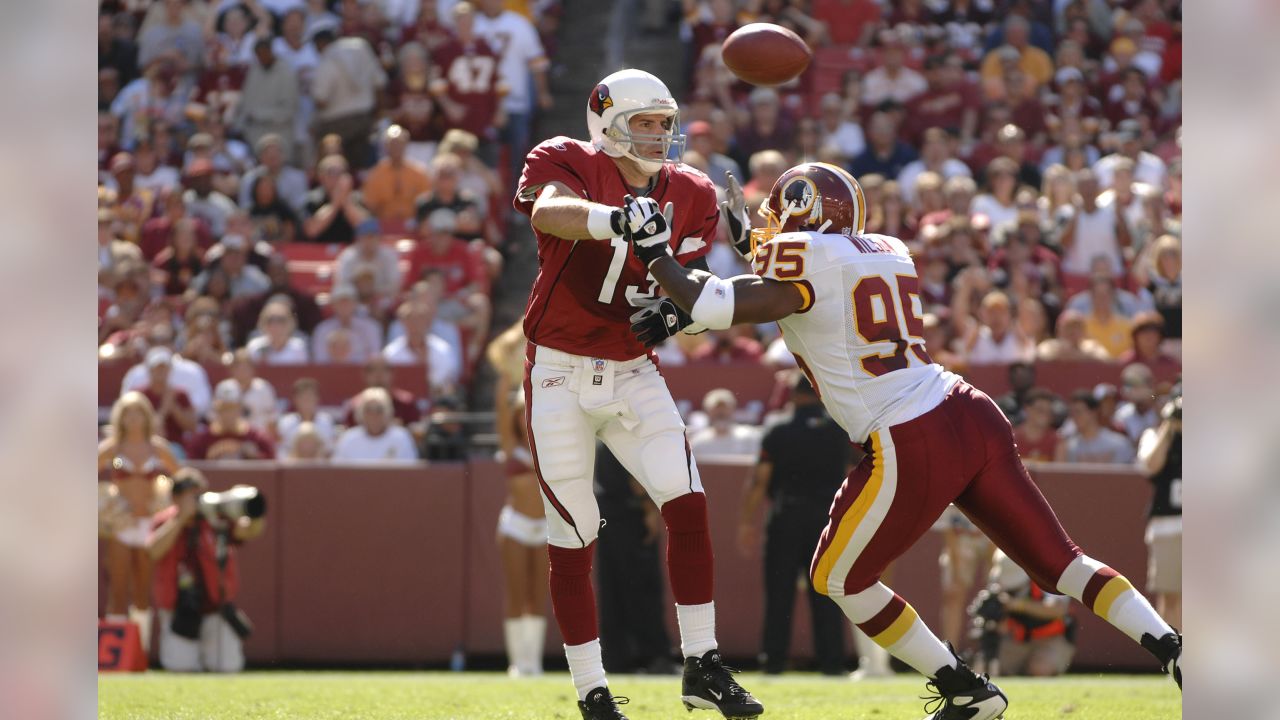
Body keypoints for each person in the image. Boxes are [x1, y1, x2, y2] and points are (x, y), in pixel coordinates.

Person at [632, 161, 1181, 720]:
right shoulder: (888, 248)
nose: (771, 227)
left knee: (837, 577)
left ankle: (963, 687)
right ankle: (1175, 651)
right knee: (1062, 564)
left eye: (780, 214)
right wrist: (743, 252)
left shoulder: (804, 264)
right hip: (968, 409)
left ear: (805, 212)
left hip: (907, 433)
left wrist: (656, 255)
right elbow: (794, 283)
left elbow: (720, 303)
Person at [512, 68, 761, 719]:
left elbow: (690, 285)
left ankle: (702, 663)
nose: (656, 135)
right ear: (606, 121)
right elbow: (549, 212)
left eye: (663, 123)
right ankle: (592, 688)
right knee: (574, 531)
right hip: (560, 370)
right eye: (643, 122)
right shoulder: (564, 160)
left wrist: (677, 314)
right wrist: (617, 218)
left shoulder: (696, 192)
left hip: (632, 366)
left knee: (687, 500)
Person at [737, 374, 851, 675]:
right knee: (825, 591)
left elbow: (760, 480)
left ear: (794, 396)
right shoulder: (839, 429)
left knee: (779, 591)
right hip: (827, 516)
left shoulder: (778, 429)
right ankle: (832, 662)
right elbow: (855, 472)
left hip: (786, 515)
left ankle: (773, 661)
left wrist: (747, 522)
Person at [148, 467, 266, 672]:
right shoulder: (164, 521)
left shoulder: (215, 520)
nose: (197, 500)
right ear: (176, 498)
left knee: (227, 666)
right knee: (181, 666)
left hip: (215, 607)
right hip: (179, 610)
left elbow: (247, 531)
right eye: (190, 496)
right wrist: (181, 518)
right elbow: (153, 551)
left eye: (199, 494)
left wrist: (253, 512)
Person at [98, 392, 181, 655]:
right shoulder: (112, 447)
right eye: (128, 414)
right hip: (122, 525)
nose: (133, 419)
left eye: (138, 413)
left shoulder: (158, 448)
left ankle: (140, 652)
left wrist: (166, 501)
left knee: (144, 588)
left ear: (147, 417)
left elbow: (182, 478)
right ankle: (115, 653)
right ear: (120, 418)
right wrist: (107, 502)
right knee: (118, 587)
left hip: (150, 525)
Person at [594, 442, 674, 676]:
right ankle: (654, 656)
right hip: (630, 515)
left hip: (607, 514)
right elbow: (637, 479)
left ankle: (617, 658)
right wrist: (648, 507)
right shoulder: (626, 434)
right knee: (643, 587)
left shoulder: (602, 438)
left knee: (612, 588)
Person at [497, 392, 548, 677]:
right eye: (520, 412)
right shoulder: (510, 445)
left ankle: (534, 662)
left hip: (545, 528)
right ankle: (517, 663)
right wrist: (505, 376)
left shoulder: (550, 446)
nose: (523, 416)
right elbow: (500, 415)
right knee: (516, 594)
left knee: (538, 596)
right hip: (515, 525)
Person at [977, 550, 1076, 677]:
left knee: (1040, 668)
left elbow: (1058, 610)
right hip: (1016, 639)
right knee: (985, 669)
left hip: (1051, 639)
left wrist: (1017, 605)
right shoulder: (997, 579)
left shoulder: (1046, 574)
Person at [1136, 385, 1181, 629]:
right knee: (1170, 595)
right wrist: (1169, 426)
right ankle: (1176, 657)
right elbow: (1150, 465)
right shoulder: (1154, 434)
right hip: (1168, 525)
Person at [310, 29, 386, 170]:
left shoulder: (328, 56)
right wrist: (377, 115)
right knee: (363, 169)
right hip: (364, 119)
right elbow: (380, 84)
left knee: (338, 168)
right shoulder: (362, 48)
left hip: (336, 125)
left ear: (321, 44)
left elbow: (321, 100)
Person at [186, 380, 276, 461]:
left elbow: (271, 463)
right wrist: (208, 457)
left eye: (232, 408)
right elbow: (192, 467)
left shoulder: (257, 437)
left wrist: (254, 456)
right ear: (216, 410)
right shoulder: (201, 440)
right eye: (224, 408)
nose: (228, 414)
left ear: (240, 409)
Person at [331, 388, 419, 462]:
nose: (374, 415)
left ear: (388, 412)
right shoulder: (349, 439)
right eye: (368, 410)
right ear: (361, 413)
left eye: (379, 410)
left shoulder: (401, 437)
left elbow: (409, 471)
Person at [1056, 390, 1136, 464]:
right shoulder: (1070, 448)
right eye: (1072, 413)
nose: (1074, 417)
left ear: (1093, 412)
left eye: (1078, 412)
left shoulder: (1119, 444)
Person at [687, 389, 761, 458]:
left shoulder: (750, 438)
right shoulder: (698, 443)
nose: (720, 413)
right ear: (707, 412)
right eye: (716, 409)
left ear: (733, 409)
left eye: (725, 408)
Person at [276, 378, 338, 459]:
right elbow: (282, 452)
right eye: (303, 397)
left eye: (310, 397)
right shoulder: (285, 423)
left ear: (317, 398)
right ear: (295, 400)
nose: (307, 401)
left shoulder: (326, 421)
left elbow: (330, 451)